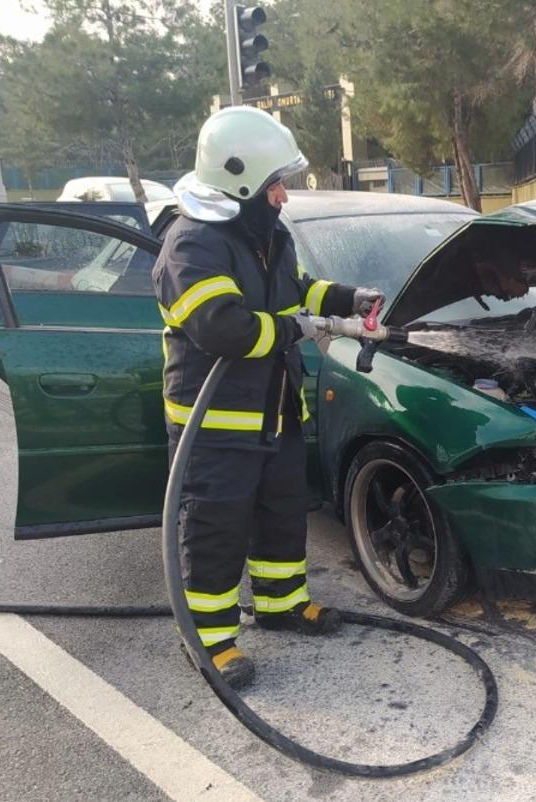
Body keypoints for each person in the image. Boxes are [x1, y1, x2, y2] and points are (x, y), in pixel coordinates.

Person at [153, 106, 384, 689]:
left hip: (275, 413)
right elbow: (223, 327)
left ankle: (281, 604)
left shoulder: (265, 235)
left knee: (282, 516)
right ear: (241, 181)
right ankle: (209, 641)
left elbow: (298, 289)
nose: (284, 196)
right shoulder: (191, 245)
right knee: (216, 529)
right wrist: (299, 328)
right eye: (275, 184)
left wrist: (347, 299)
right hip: (216, 427)